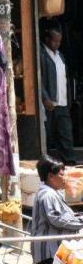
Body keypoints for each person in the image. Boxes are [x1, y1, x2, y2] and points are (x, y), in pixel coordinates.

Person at [31, 155, 83, 264]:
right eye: (61, 174)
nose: (65, 177)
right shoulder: (48, 195)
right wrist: (81, 221)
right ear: (50, 176)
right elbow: (56, 218)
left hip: (55, 252)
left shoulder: (53, 192)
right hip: (50, 254)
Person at [40, 25, 76, 165]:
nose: (57, 44)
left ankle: (71, 164)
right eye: (55, 41)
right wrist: (45, 97)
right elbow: (39, 80)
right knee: (48, 136)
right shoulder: (42, 54)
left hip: (62, 103)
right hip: (49, 104)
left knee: (66, 136)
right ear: (47, 39)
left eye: (59, 41)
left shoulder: (60, 56)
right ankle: (48, 166)